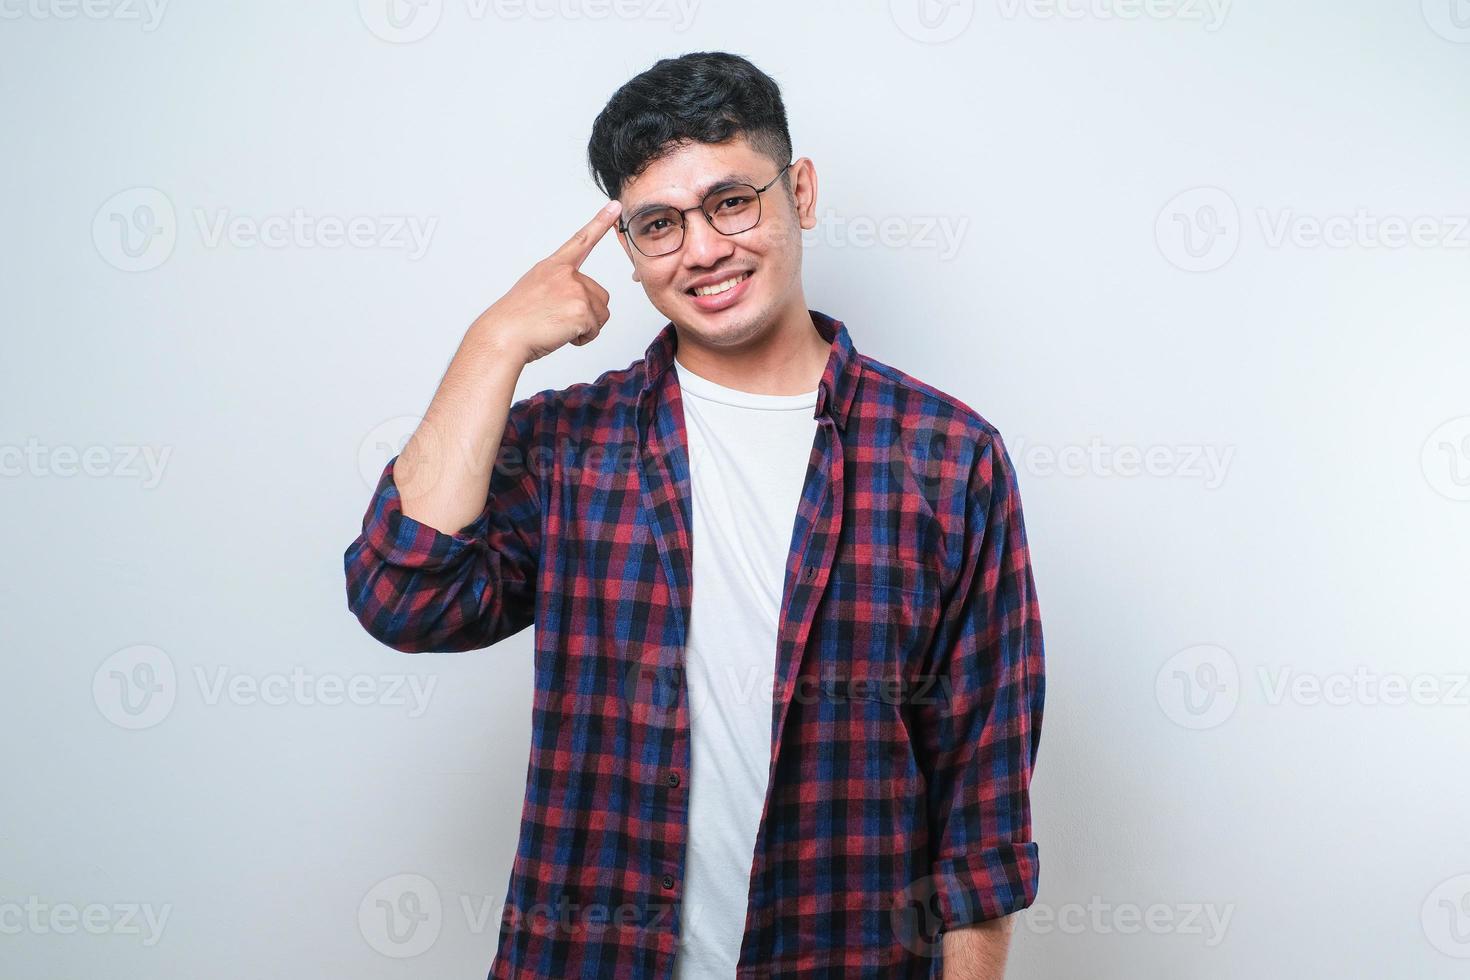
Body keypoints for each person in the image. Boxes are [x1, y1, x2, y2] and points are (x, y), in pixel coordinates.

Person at [344, 50, 1045, 980]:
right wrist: (495, 342)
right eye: (660, 225)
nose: (704, 250)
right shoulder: (567, 447)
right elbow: (405, 598)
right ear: (629, 254)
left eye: (731, 202)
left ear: (799, 189)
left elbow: (982, 800)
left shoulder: (948, 457)